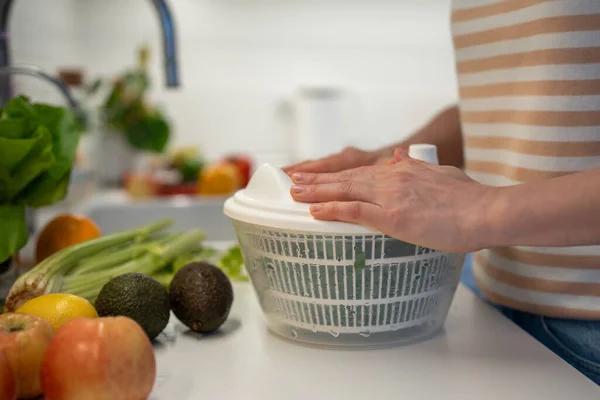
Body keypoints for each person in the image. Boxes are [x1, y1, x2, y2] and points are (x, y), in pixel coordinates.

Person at [283, 0, 600, 385]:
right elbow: (514, 98)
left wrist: (483, 209)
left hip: (588, 330)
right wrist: (389, 160)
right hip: (495, 303)